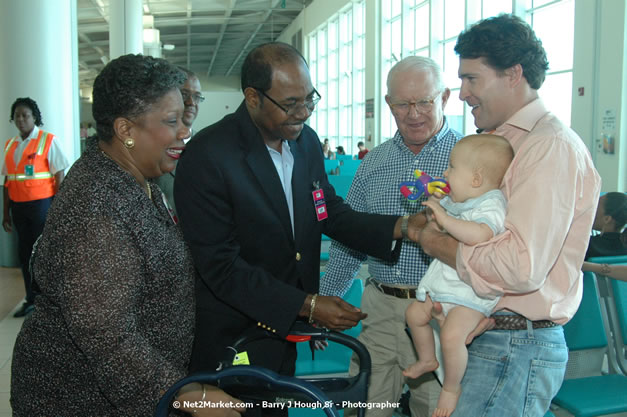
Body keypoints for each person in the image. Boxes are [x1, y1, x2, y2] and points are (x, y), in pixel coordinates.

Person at [174, 42, 424, 398]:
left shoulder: (304, 142)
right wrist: (307, 304)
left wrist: (402, 227)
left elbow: (327, 212)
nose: (304, 112)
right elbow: (221, 266)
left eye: (309, 99)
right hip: (234, 331)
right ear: (252, 97)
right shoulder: (209, 155)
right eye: (290, 104)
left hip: (283, 330)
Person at [10, 54, 243, 417]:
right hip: (79, 400)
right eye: (171, 121)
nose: (185, 130)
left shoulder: (138, 181)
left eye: (183, 117)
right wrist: (188, 394)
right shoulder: (97, 208)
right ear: (126, 131)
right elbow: (106, 336)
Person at [418, 14, 601, 417]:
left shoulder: (547, 148)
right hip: (490, 335)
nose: (462, 93)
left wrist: (437, 243)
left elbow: (521, 267)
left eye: (472, 79)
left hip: (516, 344)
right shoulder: (497, 143)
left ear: (513, 74)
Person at [321, 56, 461, 417]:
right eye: (402, 103)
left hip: (440, 311)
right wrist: (325, 300)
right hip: (379, 308)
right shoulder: (374, 162)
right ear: (388, 104)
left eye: (424, 102)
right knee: (370, 406)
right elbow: (350, 238)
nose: (413, 113)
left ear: (445, 97)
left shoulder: (468, 160)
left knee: (435, 408)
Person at [404, 134, 514, 417]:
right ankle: (428, 359)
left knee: (453, 336)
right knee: (414, 315)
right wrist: (435, 205)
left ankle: (451, 388)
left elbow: (480, 234)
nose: (445, 173)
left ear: (476, 178)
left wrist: (444, 218)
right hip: (445, 286)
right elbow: (438, 226)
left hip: (471, 294)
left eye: (452, 167)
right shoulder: (461, 201)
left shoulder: (491, 204)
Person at [2, 97, 69, 318]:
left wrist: (58, 207)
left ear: (34, 118)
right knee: (24, 254)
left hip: (42, 205)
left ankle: (48, 301)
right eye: (17, 116)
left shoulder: (47, 141)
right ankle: (31, 299)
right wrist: (5, 213)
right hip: (19, 207)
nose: (21, 119)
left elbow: (60, 173)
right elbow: (7, 181)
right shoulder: (10, 145)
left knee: (42, 253)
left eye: (25, 115)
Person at [154, 67, 203, 217]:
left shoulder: (208, 146)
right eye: (184, 95)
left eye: (197, 97)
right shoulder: (151, 147)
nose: (191, 102)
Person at [585, 192, 627, 259]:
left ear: (607, 219)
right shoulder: (624, 247)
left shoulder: (585, 245)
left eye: (596, 205)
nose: (591, 209)